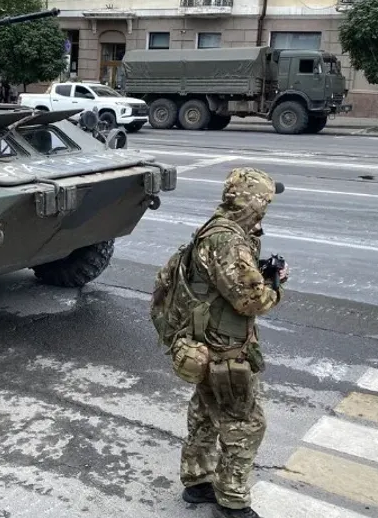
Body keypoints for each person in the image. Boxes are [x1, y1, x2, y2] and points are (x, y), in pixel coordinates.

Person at [163, 168, 286, 518]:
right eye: (265, 200)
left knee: (205, 411)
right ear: (253, 202)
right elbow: (251, 300)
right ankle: (231, 501)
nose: (267, 208)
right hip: (223, 348)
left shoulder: (218, 227)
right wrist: (276, 286)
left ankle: (196, 479)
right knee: (245, 422)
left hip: (203, 340)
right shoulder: (229, 242)